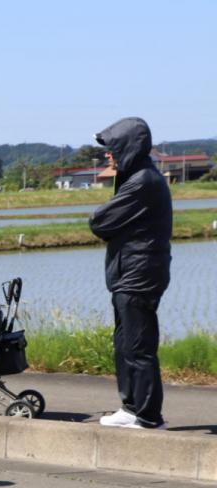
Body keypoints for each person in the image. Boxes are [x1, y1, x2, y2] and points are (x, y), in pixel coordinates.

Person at [89, 117, 171, 430]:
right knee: (125, 344)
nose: (108, 154)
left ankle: (149, 416)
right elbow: (108, 222)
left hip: (139, 274)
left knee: (139, 346)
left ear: (128, 147)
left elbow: (100, 222)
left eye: (113, 148)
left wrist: (110, 224)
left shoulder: (143, 182)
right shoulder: (136, 177)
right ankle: (132, 407)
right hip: (129, 273)